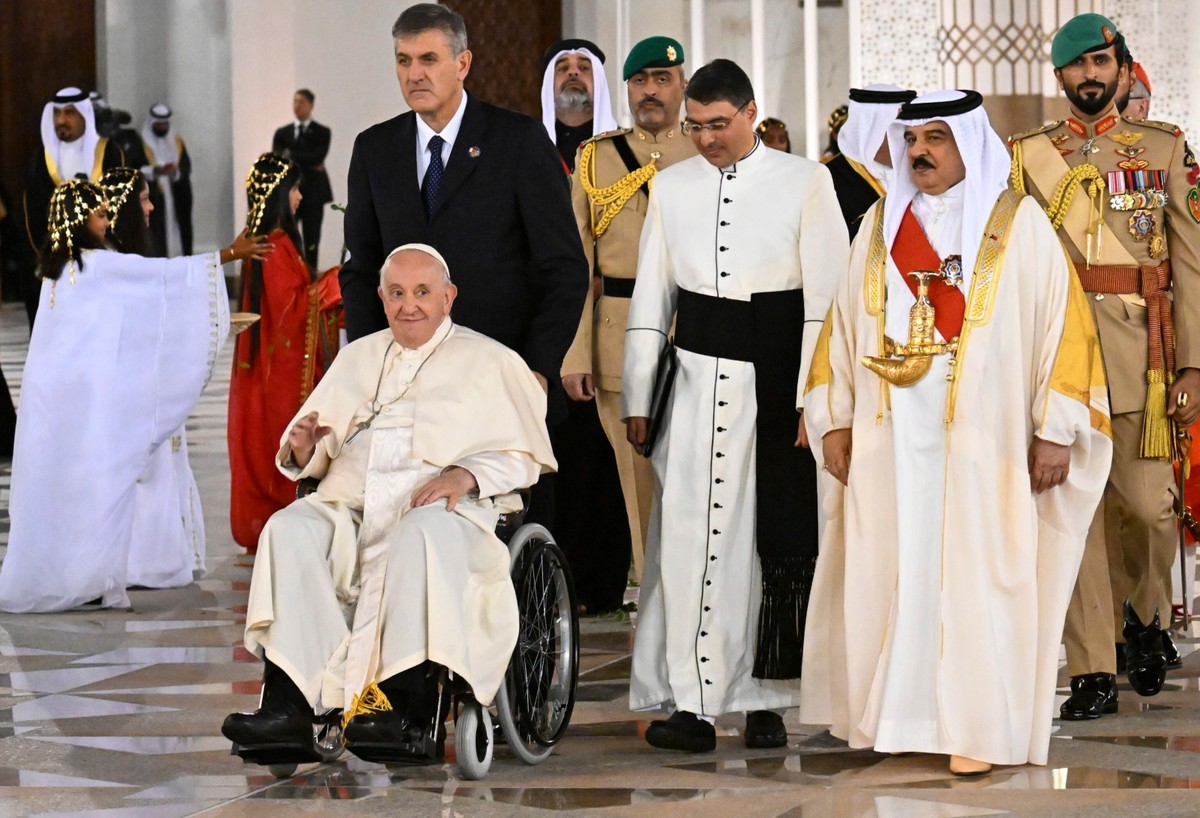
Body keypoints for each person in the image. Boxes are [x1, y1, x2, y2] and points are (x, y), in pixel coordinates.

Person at [800, 88, 1113, 776]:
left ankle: (980, 725)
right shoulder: (881, 226)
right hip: (890, 448)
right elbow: (841, 331)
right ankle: (903, 718)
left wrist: (1057, 430)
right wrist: (833, 419)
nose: (919, 153)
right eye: (912, 140)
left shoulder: (1020, 225)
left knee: (978, 577)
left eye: (936, 139)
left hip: (985, 444)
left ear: (968, 144)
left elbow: (1065, 333)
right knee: (898, 570)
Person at [220, 244, 556, 764]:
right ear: (380, 298)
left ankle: (403, 706)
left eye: (423, 293)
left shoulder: (491, 361)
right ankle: (293, 702)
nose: (409, 306)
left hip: (444, 512)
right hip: (352, 509)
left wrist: (466, 473)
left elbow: (525, 458)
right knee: (289, 528)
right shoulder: (359, 357)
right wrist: (306, 448)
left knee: (419, 534)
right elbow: (311, 454)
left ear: (449, 298)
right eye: (396, 294)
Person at [621, 58, 848, 752]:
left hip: (773, 388)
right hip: (691, 388)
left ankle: (766, 701)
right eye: (696, 126)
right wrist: (638, 393)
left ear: (752, 113)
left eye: (719, 124)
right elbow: (652, 297)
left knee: (764, 547)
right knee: (687, 543)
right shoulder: (670, 185)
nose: (707, 139)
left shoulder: (806, 181)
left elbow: (828, 300)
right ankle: (689, 703)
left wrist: (818, 399)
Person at [1009, 12, 1200, 720]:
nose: (1089, 75)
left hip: (1142, 357)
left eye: (1100, 61)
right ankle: (1090, 667)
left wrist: (1193, 368)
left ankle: (1146, 621)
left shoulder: (1165, 149)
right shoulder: (1027, 155)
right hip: (1059, 361)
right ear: (1059, 77)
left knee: (1150, 510)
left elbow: (1191, 263)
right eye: (1075, 65)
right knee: (1072, 520)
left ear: (1120, 67)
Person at [0, 180, 270, 613]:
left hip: (50, 403)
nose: (108, 223)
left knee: (58, 493)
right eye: (100, 216)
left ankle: (60, 575)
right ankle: (82, 578)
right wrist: (229, 254)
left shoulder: (54, 270)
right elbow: (160, 278)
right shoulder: (95, 264)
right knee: (92, 488)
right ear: (79, 221)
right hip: (78, 404)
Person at [339, 3, 588, 423]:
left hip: (502, 378)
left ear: (463, 63)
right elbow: (361, 269)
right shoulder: (374, 149)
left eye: (428, 59)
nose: (414, 74)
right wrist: (372, 364)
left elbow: (563, 268)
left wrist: (537, 368)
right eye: (404, 61)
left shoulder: (519, 141)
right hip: (402, 385)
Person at [561, 35, 694, 588]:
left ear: (683, 85)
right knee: (635, 484)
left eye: (662, 80)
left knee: (697, 481)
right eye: (640, 82)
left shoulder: (707, 152)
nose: (651, 92)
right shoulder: (597, 157)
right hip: (618, 332)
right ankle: (649, 596)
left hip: (697, 330)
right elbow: (575, 262)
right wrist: (575, 353)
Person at [228, 153, 342, 551]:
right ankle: (277, 511)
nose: (299, 197)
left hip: (266, 369)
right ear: (278, 195)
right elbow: (293, 310)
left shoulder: (275, 245)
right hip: (277, 374)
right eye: (293, 190)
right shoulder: (275, 247)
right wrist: (337, 281)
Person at [99, 167, 207, 587]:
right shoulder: (113, 264)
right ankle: (142, 564)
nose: (151, 206)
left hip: (150, 385)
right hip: (131, 392)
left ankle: (160, 558)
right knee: (142, 476)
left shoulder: (127, 258)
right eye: (143, 199)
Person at [21, 87, 125, 325]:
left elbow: (119, 205)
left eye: (69, 113)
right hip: (55, 262)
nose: (61, 121)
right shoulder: (40, 159)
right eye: (57, 114)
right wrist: (49, 257)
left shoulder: (109, 154)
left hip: (102, 259)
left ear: (84, 116)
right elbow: (33, 214)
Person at [824, 85, 917, 239]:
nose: (907, 141)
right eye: (897, 131)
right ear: (869, 133)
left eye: (909, 133)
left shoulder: (922, 172)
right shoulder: (827, 179)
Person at [272, 89, 333, 266]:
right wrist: (306, 160)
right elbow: (278, 160)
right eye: (295, 101)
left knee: (312, 239)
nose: (297, 106)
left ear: (311, 106)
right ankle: (291, 274)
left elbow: (317, 157)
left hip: (314, 193)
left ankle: (311, 276)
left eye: (302, 102)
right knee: (288, 236)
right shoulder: (282, 133)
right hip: (289, 193)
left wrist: (291, 155)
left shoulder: (322, 132)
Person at [540, 38, 618, 171]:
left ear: (599, 82)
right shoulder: (531, 144)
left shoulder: (622, 144)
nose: (573, 72)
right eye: (563, 68)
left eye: (584, 68)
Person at [141, 103, 194, 256]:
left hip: (175, 195)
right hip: (155, 197)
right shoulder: (142, 142)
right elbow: (135, 168)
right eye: (159, 124)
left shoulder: (176, 142)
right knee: (157, 236)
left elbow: (186, 166)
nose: (162, 127)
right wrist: (156, 171)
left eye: (165, 124)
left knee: (178, 232)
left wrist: (174, 172)